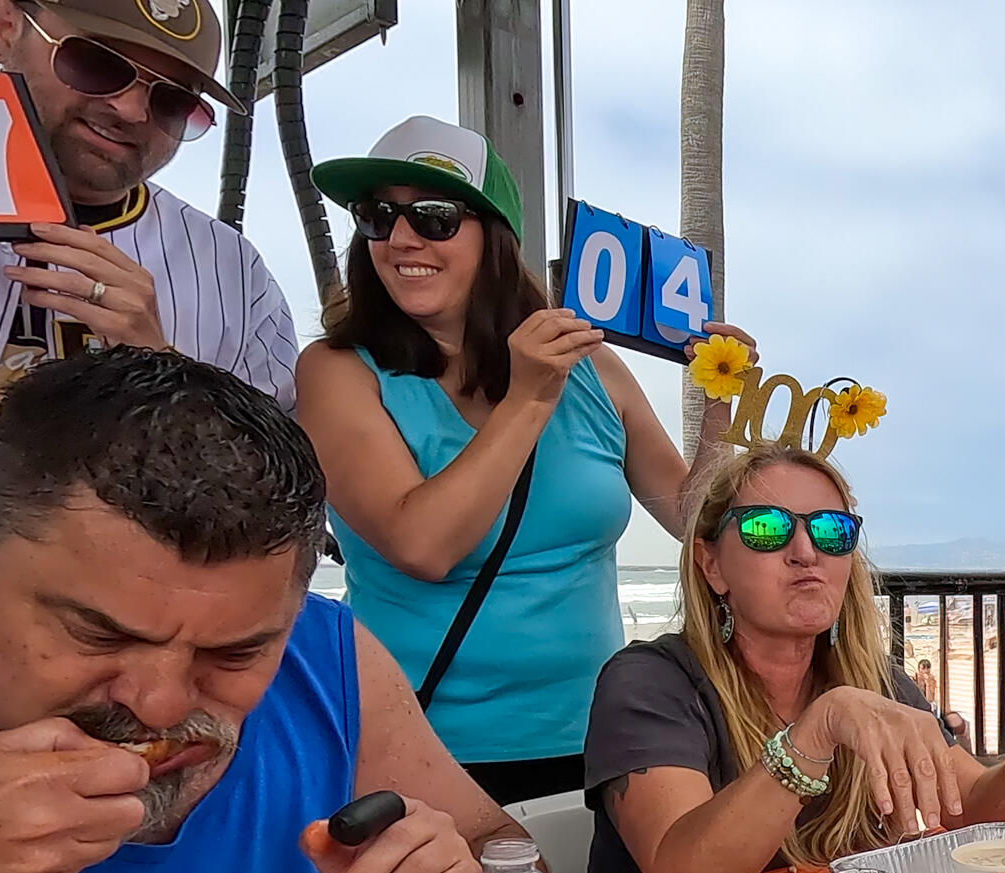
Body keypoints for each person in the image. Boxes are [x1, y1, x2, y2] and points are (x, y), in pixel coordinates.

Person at [0, 347, 524, 873]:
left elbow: (503, 862)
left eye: (233, 653)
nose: (163, 702)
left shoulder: (327, 657)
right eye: (101, 635)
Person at [296, 116, 754, 808]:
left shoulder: (594, 368)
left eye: (435, 216)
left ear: (496, 238)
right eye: (377, 216)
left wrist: (720, 403)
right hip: (423, 756)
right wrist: (528, 399)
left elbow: (694, 519)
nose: (401, 238)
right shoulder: (338, 372)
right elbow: (423, 544)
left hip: (604, 744)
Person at [581, 441, 1005, 873]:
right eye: (766, 528)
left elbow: (967, 804)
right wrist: (815, 732)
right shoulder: (649, 683)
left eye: (832, 531)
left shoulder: (868, 679)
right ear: (711, 564)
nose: (807, 552)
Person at [0, 0, 297, 565]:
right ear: (4, 26)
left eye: (173, 99)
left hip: (64, 636)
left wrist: (161, 379)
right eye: (97, 64)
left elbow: (271, 506)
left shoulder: (231, 272)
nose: (132, 109)